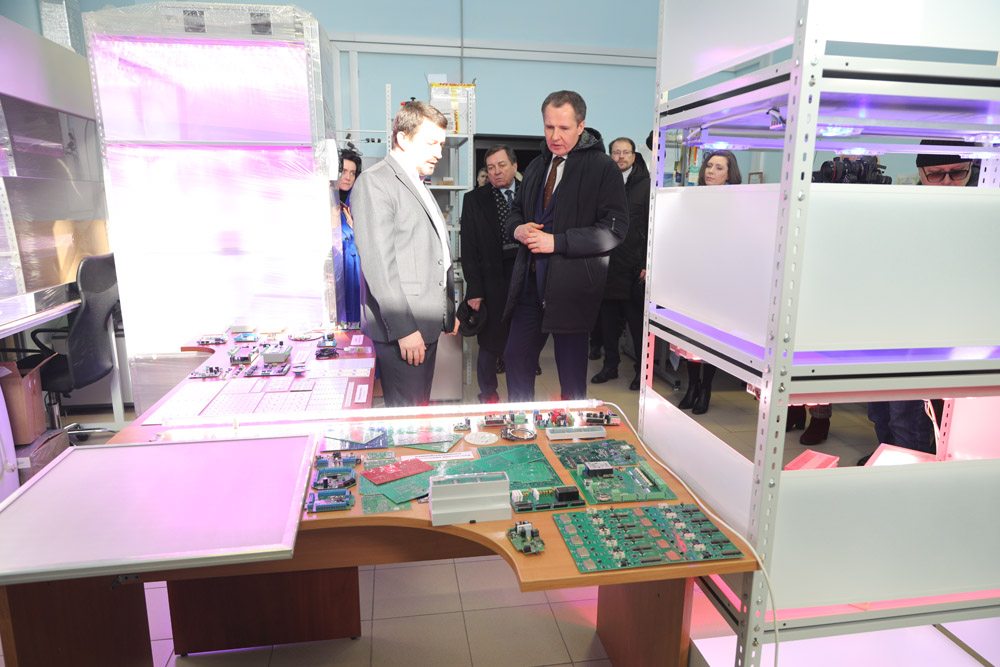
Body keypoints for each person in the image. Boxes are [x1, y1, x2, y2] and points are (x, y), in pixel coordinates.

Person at [502, 90, 628, 401]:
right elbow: (515, 211)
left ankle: (573, 428)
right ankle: (521, 421)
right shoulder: (536, 166)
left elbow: (614, 230)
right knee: (515, 359)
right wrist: (518, 229)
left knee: (571, 377)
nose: (555, 136)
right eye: (549, 127)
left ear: (581, 126)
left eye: (564, 128)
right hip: (529, 285)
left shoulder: (603, 168)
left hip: (572, 289)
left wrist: (557, 242)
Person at [860, 140, 978, 464]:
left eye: (957, 173)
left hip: (930, 332)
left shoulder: (980, 209)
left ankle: (907, 469)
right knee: (880, 409)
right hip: (887, 324)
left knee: (907, 414)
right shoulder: (901, 207)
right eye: (937, 174)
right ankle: (888, 455)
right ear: (921, 172)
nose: (948, 182)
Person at [352, 101, 459, 407]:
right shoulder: (375, 182)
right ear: (403, 138)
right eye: (431, 143)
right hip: (404, 329)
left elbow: (433, 252)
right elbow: (379, 266)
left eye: (441, 144)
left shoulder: (417, 182)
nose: (439, 153)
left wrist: (447, 309)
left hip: (425, 324)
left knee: (418, 409)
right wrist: (405, 330)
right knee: (408, 417)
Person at [679, 150, 742, 414]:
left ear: (729, 174)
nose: (711, 171)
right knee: (689, 336)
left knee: (711, 337)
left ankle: (706, 387)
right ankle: (692, 385)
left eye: (718, 168)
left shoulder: (737, 202)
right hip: (693, 275)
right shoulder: (693, 198)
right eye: (709, 166)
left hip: (720, 279)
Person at [460, 144, 520, 403]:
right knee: (489, 342)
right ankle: (488, 394)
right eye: (491, 167)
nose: (496, 172)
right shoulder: (474, 200)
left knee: (522, 342)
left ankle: (520, 396)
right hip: (491, 280)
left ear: (514, 166)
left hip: (524, 279)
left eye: (502, 165)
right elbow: (469, 247)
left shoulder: (531, 194)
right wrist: (474, 289)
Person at [591, 137, 650, 391]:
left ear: (634, 156)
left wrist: (647, 263)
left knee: (636, 326)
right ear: (610, 156)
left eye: (626, 152)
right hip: (607, 265)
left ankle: (641, 372)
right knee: (607, 322)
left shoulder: (646, 186)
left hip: (634, 268)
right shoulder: (601, 184)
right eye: (616, 152)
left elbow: (653, 227)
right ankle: (610, 366)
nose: (621, 157)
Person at [337, 149, 363, 324]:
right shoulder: (325, 199)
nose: (348, 177)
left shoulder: (360, 199)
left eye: (352, 173)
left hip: (356, 265)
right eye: (344, 171)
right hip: (335, 263)